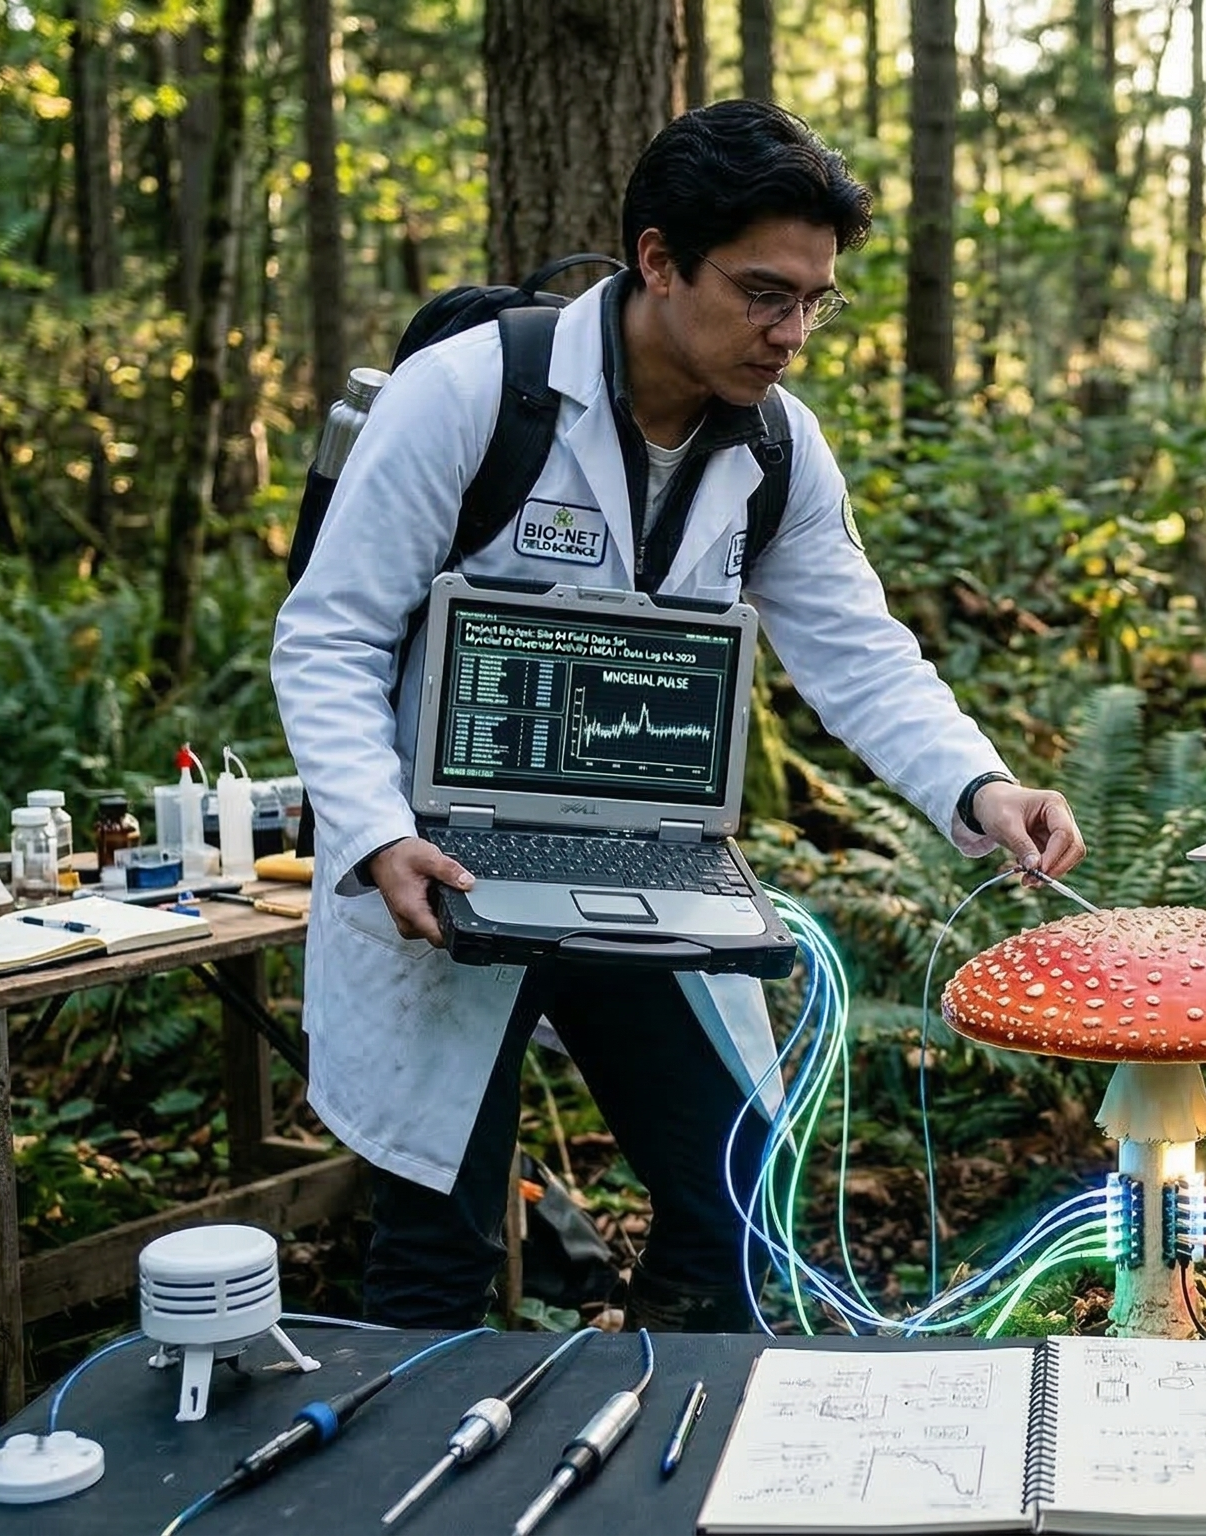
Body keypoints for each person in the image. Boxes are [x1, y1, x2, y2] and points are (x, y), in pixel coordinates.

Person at [273, 100, 1085, 1331]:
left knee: (729, 1206)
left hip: (650, 863)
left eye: (815, 300)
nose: (792, 331)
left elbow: (856, 649)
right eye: (765, 292)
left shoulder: (775, 450)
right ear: (657, 259)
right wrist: (379, 835)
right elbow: (328, 633)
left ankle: (648, 1462)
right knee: (435, 1242)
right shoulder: (472, 397)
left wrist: (982, 788)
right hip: (439, 870)